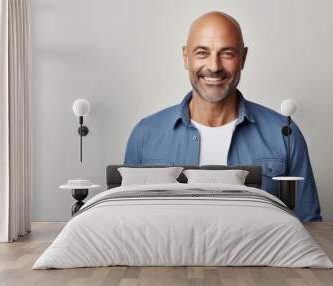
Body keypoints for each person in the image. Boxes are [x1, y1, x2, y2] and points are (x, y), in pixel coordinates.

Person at [124, 11, 321, 221]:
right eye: (202, 52)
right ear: (186, 57)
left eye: (227, 53)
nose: (214, 66)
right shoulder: (145, 135)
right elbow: (123, 220)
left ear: (243, 58)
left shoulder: (285, 135)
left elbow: (308, 225)